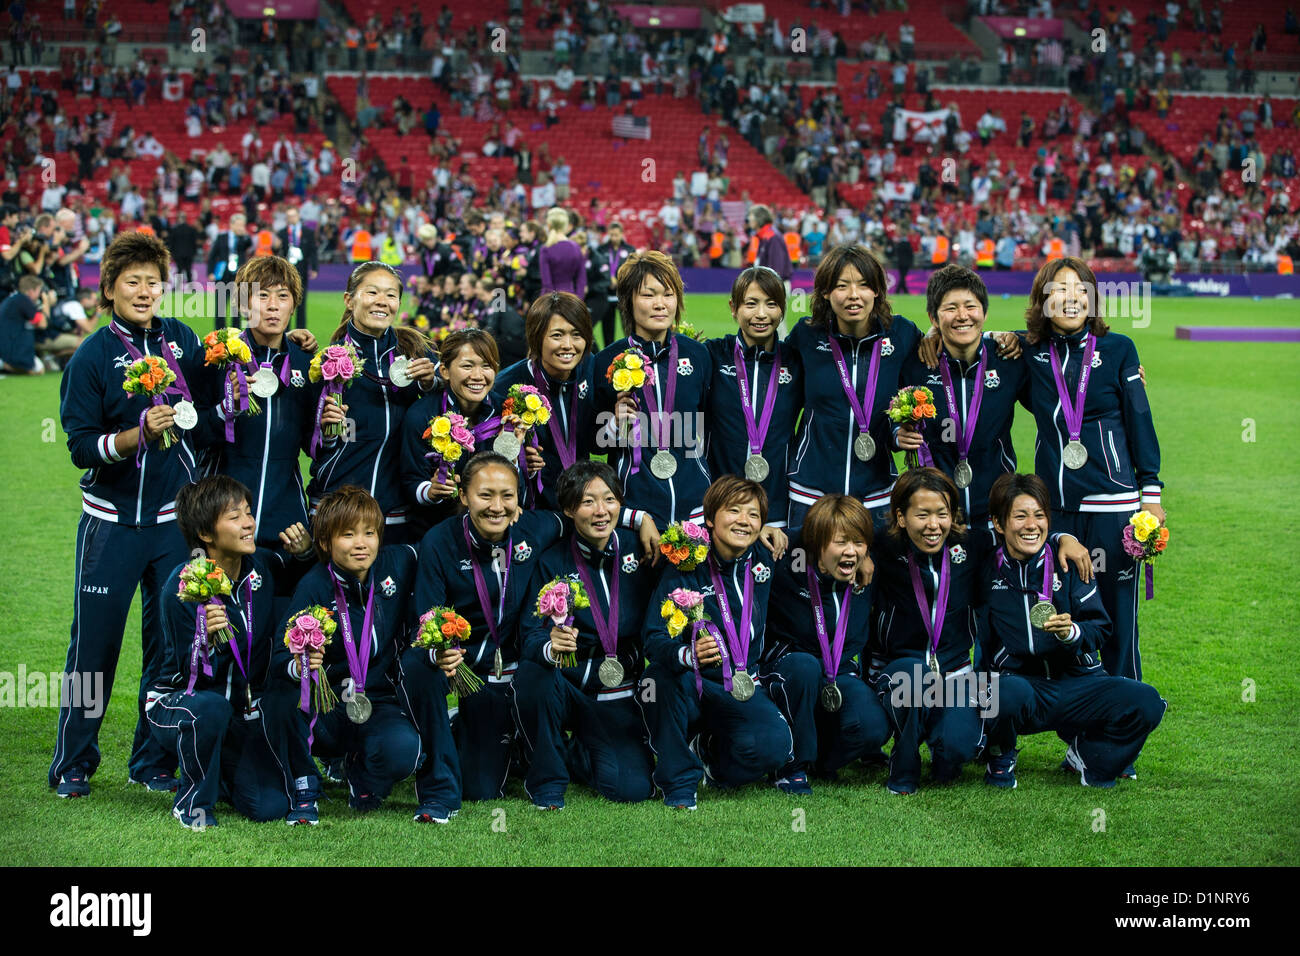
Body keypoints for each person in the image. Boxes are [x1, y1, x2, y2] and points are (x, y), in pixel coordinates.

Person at [50, 231, 215, 798]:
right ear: (110, 288)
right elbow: (79, 447)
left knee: (167, 647)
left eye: (153, 282)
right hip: (110, 524)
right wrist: (133, 436)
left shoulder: (183, 340)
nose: (145, 291)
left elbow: (217, 397)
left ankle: (151, 761)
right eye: (133, 282)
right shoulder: (92, 356)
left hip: (172, 525)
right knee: (93, 650)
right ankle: (73, 762)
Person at [1020, 257, 1164, 778]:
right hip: (1057, 517)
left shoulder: (1120, 349)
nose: (1071, 297)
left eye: (1080, 289)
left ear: (1094, 297)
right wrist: (1005, 334)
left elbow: (1139, 420)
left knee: (1120, 621)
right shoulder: (1031, 354)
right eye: (1058, 290)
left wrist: (1151, 493)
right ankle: (1079, 734)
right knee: (1066, 621)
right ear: (1043, 299)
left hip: (1116, 510)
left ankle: (1120, 729)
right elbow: (980, 352)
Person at [981, 473, 1166, 789]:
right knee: (1001, 692)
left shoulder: (1071, 561)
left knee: (1147, 701)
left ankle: (1090, 756)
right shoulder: (984, 568)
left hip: (1078, 684)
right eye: (1020, 516)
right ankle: (1002, 754)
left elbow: (1099, 628)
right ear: (999, 524)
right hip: (1024, 686)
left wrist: (1072, 633)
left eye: (1039, 516)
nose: (1032, 525)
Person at [150, 476, 314, 828]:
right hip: (178, 703)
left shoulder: (263, 569)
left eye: (249, 513)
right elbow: (184, 672)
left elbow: (307, 575)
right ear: (206, 535)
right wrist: (203, 641)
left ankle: (222, 776)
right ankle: (192, 803)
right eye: (234, 516)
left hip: (242, 714)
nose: (249, 523)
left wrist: (303, 551)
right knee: (211, 707)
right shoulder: (182, 587)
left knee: (270, 806)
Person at [409, 453, 570, 806]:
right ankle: (470, 727)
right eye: (485, 495)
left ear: (518, 499)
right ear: (464, 496)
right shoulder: (440, 542)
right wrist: (441, 653)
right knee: (479, 790)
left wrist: (639, 519)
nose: (497, 507)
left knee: (541, 676)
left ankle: (547, 775)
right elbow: (428, 617)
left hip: (524, 665)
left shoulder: (535, 528)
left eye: (507, 495)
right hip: (476, 675)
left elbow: (582, 517)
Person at [262, 486, 426, 822]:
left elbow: (440, 546)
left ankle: (363, 775)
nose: (361, 543)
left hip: (377, 702)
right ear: (325, 542)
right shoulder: (314, 586)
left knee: (405, 751)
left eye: (369, 533)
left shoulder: (397, 563)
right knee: (283, 696)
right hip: (326, 706)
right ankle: (304, 786)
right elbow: (280, 657)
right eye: (348, 535)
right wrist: (300, 667)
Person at [642, 475, 794, 809]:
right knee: (656, 678)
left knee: (775, 747)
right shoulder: (686, 562)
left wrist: (865, 556)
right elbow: (652, 639)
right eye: (734, 511)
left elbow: (829, 539)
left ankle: (709, 754)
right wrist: (686, 654)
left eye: (753, 515)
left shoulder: (767, 554)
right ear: (710, 518)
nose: (744, 521)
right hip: (692, 683)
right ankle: (679, 780)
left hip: (740, 683)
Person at [515, 461, 660, 809]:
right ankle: (548, 783)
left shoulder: (640, 549)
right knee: (534, 672)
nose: (600, 511)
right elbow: (529, 632)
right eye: (587, 502)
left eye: (609, 500)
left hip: (621, 694)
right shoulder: (551, 561)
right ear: (568, 509)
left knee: (632, 790)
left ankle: (578, 751)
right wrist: (549, 647)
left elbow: (691, 542)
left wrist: (640, 520)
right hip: (570, 690)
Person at [785, 244, 922, 530]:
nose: (853, 295)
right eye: (841, 286)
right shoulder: (806, 336)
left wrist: (897, 433)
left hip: (876, 490)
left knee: (874, 573)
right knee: (808, 574)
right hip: (811, 488)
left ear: (877, 290)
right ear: (825, 292)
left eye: (863, 285)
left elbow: (935, 360)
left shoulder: (902, 334)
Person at [870, 468, 987, 795]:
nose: (933, 525)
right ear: (901, 517)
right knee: (916, 676)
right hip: (899, 668)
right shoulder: (881, 546)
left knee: (956, 754)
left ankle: (947, 740)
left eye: (942, 514)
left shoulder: (971, 547)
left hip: (955, 673)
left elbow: (1020, 535)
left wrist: (1063, 538)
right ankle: (903, 765)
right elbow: (826, 535)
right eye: (922, 514)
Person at [762, 495, 890, 792]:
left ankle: (821, 762)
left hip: (839, 672)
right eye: (841, 542)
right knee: (805, 667)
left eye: (859, 543)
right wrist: (759, 531)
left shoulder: (868, 568)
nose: (851, 552)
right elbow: (728, 541)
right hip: (789, 669)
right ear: (817, 542)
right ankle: (790, 765)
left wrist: (863, 553)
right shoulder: (785, 554)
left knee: (873, 726)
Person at [307, 261, 439, 546]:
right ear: (349, 299)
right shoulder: (326, 365)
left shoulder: (417, 357)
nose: (382, 302)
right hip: (338, 511)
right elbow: (308, 445)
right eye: (372, 293)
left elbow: (459, 395)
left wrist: (432, 384)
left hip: (395, 514)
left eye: (391, 295)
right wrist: (328, 433)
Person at [206, 256, 316, 558]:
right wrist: (225, 409)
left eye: (283, 296)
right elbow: (194, 434)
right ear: (243, 305)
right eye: (262, 295)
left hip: (286, 523)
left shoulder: (307, 364)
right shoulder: (218, 359)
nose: (273, 305)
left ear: (293, 306)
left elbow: (313, 445)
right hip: (224, 516)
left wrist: (330, 428)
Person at [704, 266, 801, 534]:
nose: (761, 314)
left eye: (771, 304)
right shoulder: (713, 355)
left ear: (782, 309)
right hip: (719, 506)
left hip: (777, 510)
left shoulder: (796, 361)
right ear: (734, 308)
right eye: (751, 304)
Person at [492, 292, 598, 512]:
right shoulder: (506, 386)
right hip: (532, 510)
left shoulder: (591, 368)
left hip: (581, 504)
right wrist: (519, 459)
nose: (568, 345)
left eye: (577, 334)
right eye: (557, 335)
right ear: (537, 336)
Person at [588, 220, 635, 348]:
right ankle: (609, 355)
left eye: (616, 235)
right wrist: (608, 279)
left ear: (621, 234)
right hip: (606, 295)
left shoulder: (630, 250)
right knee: (607, 329)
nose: (614, 237)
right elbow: (596, 270)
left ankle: (633, 353)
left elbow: (633, 271)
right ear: (608, 234)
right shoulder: (600, 249)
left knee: (628, 328)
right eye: (611, 235)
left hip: (623, 295)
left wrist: (619, 279)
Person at [0, 273, 52, 374]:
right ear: (31, 291)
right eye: (39, 291)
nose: (40, 294)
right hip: (13, 345)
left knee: (39, 369)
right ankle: (3, 364)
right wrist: (46, 301)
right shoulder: (23, 300)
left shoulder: (14, 299)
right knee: (35, 371)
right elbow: (43, 324)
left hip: (10, 342)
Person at [207, 213, 251, 330]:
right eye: (238, 225)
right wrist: (210, 272)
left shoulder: (243, 239)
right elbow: (213, 255)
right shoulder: (222, 237)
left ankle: (236, 332)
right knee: (220, 306)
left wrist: (244, 235)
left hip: (238, 276)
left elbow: (249, 244)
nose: (240, 227)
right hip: (223, 275)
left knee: (236, 306)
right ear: (231, 225)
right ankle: (219, 332)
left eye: (242, 225)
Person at [277, 206, 317, 330]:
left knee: (301, 303)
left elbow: (313, 251)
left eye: (293, 215)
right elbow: (278, 253)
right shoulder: (282, 233)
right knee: (285, 302)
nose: (291, 218)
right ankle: (285, 330)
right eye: (289, 216)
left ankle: (301, 331)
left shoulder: (308, 232)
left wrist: (314, 268)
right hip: (286, 273)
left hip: (302, 271)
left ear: (298, 216)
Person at [538, 206, 586, 297]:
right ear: (566, 225)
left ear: (548, 225)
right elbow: (581, 280)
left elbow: (547, 283)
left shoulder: (546, 249)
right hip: (571, 297)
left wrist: (554, 302)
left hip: (550, 299)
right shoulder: (576, 247)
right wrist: (579, 300)